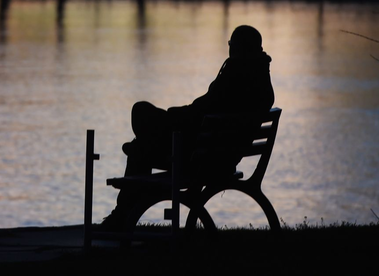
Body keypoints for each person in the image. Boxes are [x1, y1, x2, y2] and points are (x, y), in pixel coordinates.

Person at [99, 25, 274, 231]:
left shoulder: (234, 76)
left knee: (141, 115)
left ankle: (122, 212)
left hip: (199, 160)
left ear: (237, 48)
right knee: (143, 141)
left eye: (231, 45)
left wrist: (172, 115)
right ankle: (138, 161)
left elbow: (200, 112)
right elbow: (204, 113)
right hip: (219, 157)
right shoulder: (262, 85)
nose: (229, 49)